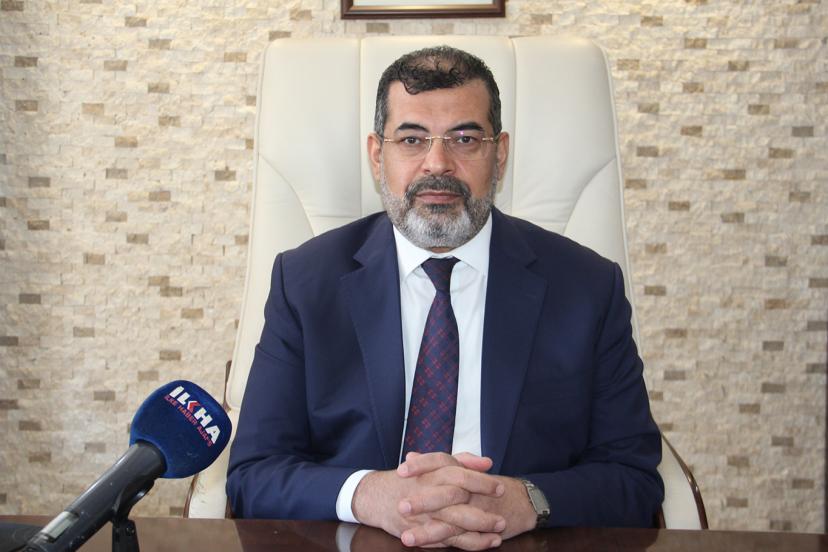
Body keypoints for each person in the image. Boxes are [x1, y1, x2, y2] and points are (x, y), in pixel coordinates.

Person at [226, 45, 663, 550]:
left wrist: (526, 501)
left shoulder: (587, 287)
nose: (438, 164)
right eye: (412, 139)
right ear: (377, 155)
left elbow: (633, 478)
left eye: (465, 139)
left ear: (499, 154)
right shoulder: (305, 282)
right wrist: (367, 495)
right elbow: (254, 473)